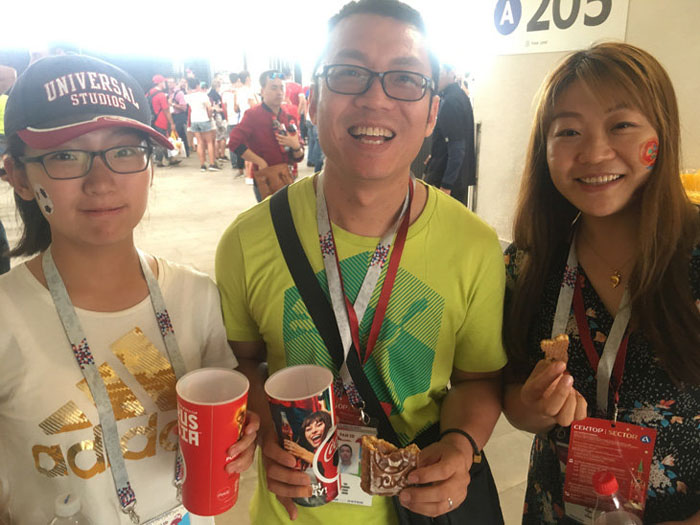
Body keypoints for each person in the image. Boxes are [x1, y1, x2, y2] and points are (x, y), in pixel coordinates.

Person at [215, 0, 507, 523]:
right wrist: (265, 430)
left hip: (419, 509)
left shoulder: (475, 246)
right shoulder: (246, 240)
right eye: (349, 73)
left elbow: (478, 380)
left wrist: (461, 447)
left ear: (432, 113)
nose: (375, 98)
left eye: (405, 79)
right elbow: (243, 363)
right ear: (313, 101)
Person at [0, 54, 259, 524]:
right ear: (18, 176)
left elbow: (224, 414)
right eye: (66, 156)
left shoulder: (196, 297)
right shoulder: (6, 316)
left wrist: (243, 437)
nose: (102, 182)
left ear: (150, 168)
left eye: (124, 152)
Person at [502, 42, 700, 523]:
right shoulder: (527, 264)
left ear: (662, 132)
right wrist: (532, 406)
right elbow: (511, 397)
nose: (593, 152)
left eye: (621, 125)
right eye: (568, 131)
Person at [227, 69, 304, 202]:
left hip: (288, 177)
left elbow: (299, 157)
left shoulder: (289, 115)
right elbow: (234, 142)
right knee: (269, 214)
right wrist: (259, 162)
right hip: (267, 179)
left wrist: (295, 146)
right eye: (273, 88)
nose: (279, 92)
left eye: (281, 88)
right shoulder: (253, 115)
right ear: (262, 91)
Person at [424, 64, 475, 207]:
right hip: (458, 178)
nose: (436, 78)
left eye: (440, 73)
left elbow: (458, 148)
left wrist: (446, 186)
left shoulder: (450, 102)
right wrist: (435, 155)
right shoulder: (460, 96)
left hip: (445, 181)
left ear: (451, 73)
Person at [185, 77, 219, 172]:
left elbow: (187, 94)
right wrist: (210, 116)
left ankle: (202, 165)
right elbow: (209, 108)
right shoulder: (203, 95)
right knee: (209, 142)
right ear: (197, 85)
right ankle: (212, 164)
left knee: (199, 142)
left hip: (194, 120)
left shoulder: (188, 97)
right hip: (204, 119)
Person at [147, 74, 180, 168]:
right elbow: (166, 110)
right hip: (161, 121)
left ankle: (169, 158)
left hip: (152, 120)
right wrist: (172, 123)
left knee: (159, 139)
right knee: (162, 140)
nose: (165, 84)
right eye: (164, 82)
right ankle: (159, 160)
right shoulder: (161, 95)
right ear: (160, 83)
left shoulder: (149, 93)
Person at [168, 77, 190, 158]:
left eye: (171, 82)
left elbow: (184, 107)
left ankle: (185, 151)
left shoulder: (179, 93)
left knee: (180, 133)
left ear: (175, 83)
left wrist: (172, 104)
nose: (169, 84)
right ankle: (179, 151)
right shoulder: (169, 93)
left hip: (179, 115)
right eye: (168, 82)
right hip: (172, 115)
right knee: (176, 133)